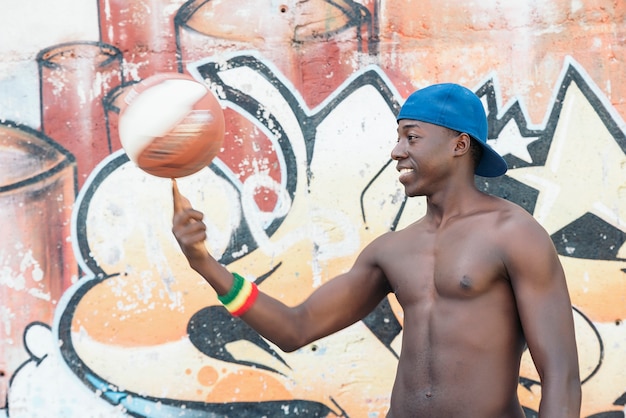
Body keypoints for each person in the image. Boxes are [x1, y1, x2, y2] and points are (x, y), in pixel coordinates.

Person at [172, 83, 581, 417]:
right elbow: (294, 328)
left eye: (412, 137)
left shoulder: (514, 234)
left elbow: (560, 374)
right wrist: (204, 264)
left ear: (459, 145)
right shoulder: (392, 250)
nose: (397, 151)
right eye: (398, 136)